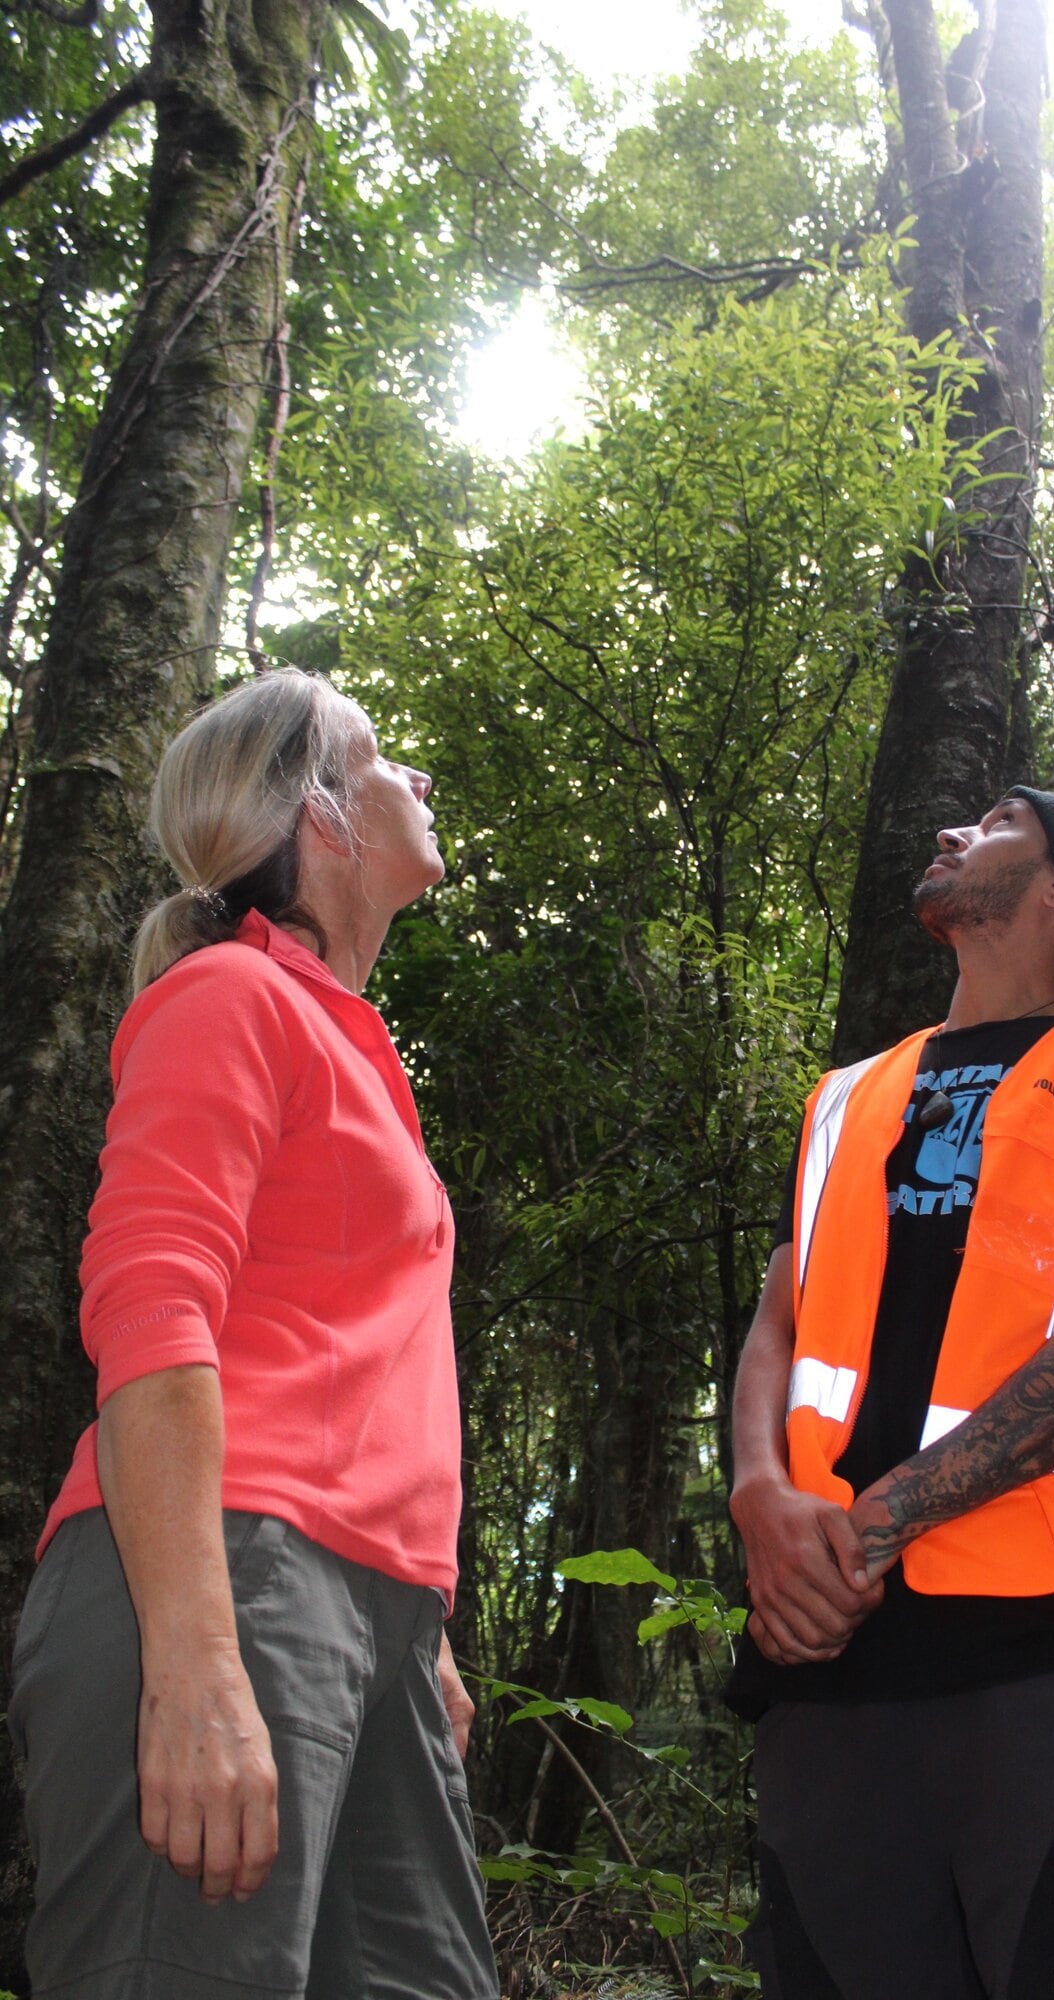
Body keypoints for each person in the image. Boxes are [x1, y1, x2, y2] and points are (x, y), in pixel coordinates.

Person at [8, 669, 499, 2000]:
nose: (421, 782)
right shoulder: (228, 996)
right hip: (218, 1575)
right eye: (387, 758)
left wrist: (419, 1629)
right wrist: (197, 1656)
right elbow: (153, 1307)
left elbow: (346, 1352)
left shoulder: (346, 1038)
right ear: (325, 817)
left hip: (368, 1620)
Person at [727, 788, 1054, 2000]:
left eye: (1000, 819)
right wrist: (757, 1496)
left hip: (1048, 1649)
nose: (952, 828)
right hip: (825, 1666)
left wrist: (877, 1519)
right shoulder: (846, 1094)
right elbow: (775, 1321)